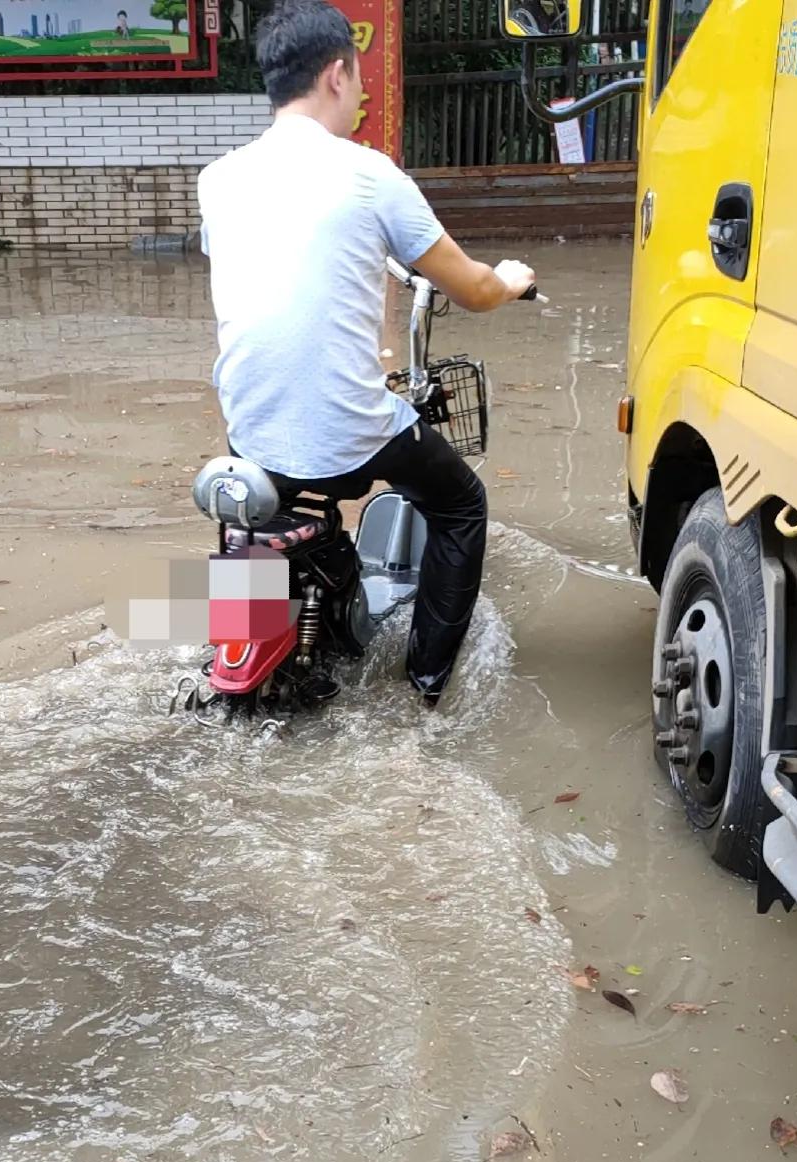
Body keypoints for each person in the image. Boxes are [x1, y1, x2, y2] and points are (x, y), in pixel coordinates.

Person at [197, 0, 535, 701]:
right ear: (336, 74)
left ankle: (240, 625)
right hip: (345, 430)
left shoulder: (218, 179)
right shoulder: (370, 173)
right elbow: (470, 287)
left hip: (249, 427)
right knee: (462, 504)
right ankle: (427, 681)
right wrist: (508, 281)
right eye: (357, 80)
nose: (361, 95)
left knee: (264, 499)